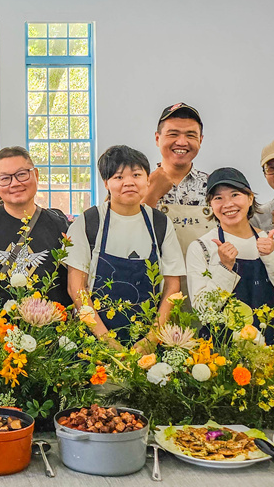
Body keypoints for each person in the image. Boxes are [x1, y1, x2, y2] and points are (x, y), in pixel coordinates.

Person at [64, 146, 184, 344]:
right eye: (119, 177)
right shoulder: (88, 222)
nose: (129, 183)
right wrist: (106, 341)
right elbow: (76, 289)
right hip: (95, 342)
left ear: (147, 179)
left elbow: (173, 286)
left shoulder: (160, 224)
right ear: (106, 183)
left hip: (151, 342)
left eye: (136, 175)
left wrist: (152, 340)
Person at [186, 168, 274, 319]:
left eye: (235, 195)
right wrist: (224, 268)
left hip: (271, 340)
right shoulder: (201, 247)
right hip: (219, 342)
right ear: (210, 204)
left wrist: (272, 258)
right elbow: (202, 313)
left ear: (250, 199)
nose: (228, 204)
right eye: (218, 198)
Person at [0, 147, 71, 305]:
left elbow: (75, 283)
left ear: (36, 175)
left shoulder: (59, 227)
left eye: (22, 174)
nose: (15, 183)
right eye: (5, 178)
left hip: (53, 325)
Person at [142, 103, 212, 254]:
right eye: (173, 134)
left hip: (203, 277)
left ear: (200, 140)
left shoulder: (215, 186)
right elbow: (118, 234)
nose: (181, 142)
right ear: (157, 138)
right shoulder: (135, 184)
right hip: (151, 276)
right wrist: (151, 194)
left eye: (190, 135)